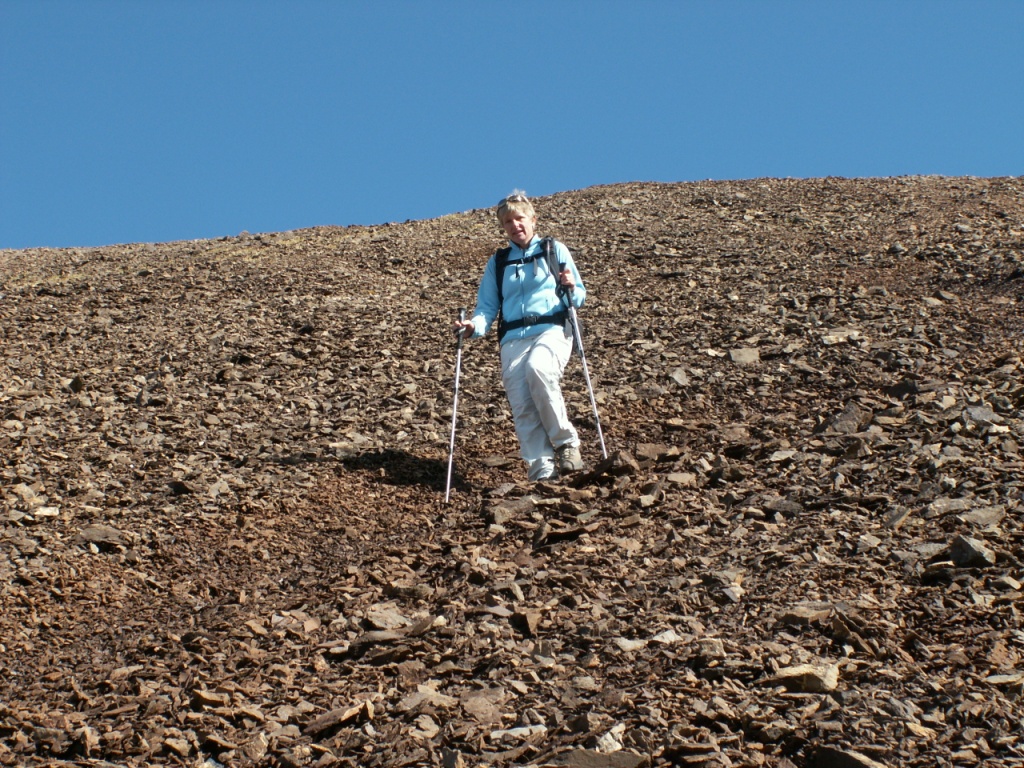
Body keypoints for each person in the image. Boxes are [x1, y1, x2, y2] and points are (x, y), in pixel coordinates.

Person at [453, 191, 586, 483]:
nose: (515, 225)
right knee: (521, 401)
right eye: (508, 221)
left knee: (539, 369)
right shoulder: (499, 262)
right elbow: (487, 307)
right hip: (512, 338)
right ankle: (541, 469)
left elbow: (578, 297)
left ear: (533, 219)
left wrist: (570, 286)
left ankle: (566, 444)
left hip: (552, 329)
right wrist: (473, 326)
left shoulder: (554, 249)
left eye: (519, 218)